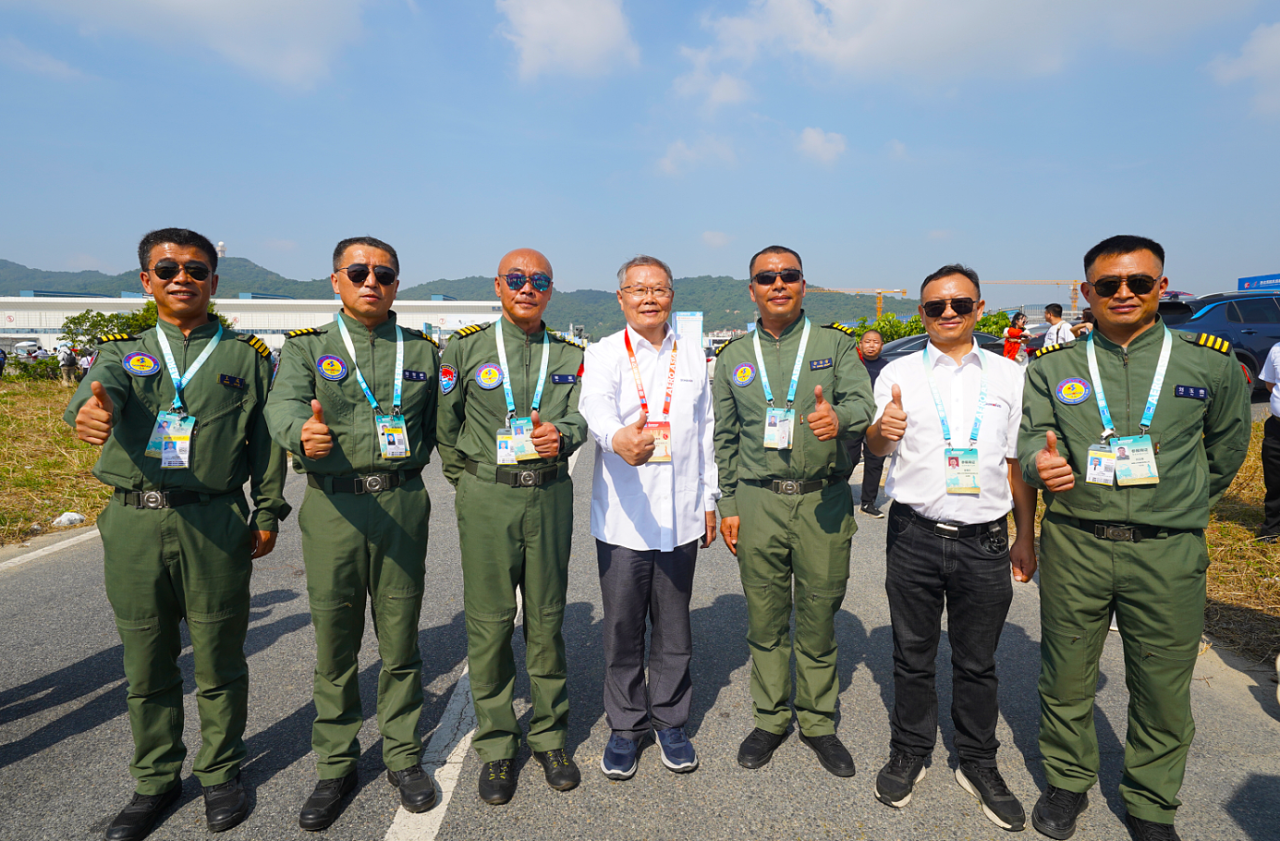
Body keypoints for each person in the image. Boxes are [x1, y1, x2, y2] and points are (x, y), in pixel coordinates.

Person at [1020, 235, 1250, 841]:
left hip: (1166, 551)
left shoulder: (1209, 364)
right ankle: (1068, 782)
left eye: (1138, 283)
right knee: (1065, 675)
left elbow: (1227, 451)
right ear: (1085, 292)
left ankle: (1151, 804)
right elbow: (1027, 441)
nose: (1123, 293)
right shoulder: (1054, 369)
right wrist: (1037, 466)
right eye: (1107, 285)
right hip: (1076, 545)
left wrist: (1183, 504)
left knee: (1162, 684)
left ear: (1161, 287)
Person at [65, 227, 290, 841]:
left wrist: (267, 511)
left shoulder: (247, 357)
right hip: (135, 521)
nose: (181, 278)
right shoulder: (122, 351)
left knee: (218, 659)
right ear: (147, 281)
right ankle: (156, 780)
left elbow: (266, 445)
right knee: (147, 660)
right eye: (167, 269)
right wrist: (92, 408)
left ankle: (220, 773)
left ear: (214, 281)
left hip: (213, 520)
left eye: (196, 269)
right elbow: (97, 394)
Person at [264, 236, 441, 830]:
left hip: (400, 502)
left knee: (400, 638)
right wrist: (299, 434)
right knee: (336, 642)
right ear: (335, 280)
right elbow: (281, 406)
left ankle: (403, 754)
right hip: (333, 509)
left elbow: (441, 427)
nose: (372, 281)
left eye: (384, 273)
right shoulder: (306, 349)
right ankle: (335, 763)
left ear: (397, 283)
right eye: (359, 271)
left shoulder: (419, 349)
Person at [864, 264, 1037, 831]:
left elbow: (1015, 467)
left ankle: (979, 762)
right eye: (935, 306)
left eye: (958, 304)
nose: (947, 314)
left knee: (977, 662)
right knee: (911, 656)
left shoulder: (1012, 376)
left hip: (986, 540)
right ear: (922, 313)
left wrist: (1025, 536)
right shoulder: (897, 372)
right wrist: (879, 432)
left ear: (978, 308)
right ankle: (910, 749)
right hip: (914, 534)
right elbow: (874, 444)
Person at [713, 245, 874, 777]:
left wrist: (840, 419)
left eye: (789, 275)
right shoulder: (733, 356)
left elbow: (862, 404)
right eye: (767, 277)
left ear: (804, 284)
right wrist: (730, 503)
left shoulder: (834, 345)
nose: (778, 284)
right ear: (752, 288)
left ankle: (819, 722)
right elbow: (726, 439)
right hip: (758, 500)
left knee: (818, 616)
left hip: (822, 499)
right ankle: (770, 717)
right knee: (765, 617)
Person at [436, 248, 588, 805]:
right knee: (490, 623)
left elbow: (582, 415)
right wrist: (475, 484)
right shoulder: (465, 348)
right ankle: (498, 745)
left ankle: (550, 737)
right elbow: (444, 429)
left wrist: (563, 436)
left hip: (549, 495)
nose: (528, 288)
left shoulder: (570, 352)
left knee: (546, 621)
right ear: (498, 285)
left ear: (552, 289)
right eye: (517, 279)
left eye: (539, 280)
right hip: (488, 497)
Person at [578, 255, 718, 781]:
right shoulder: (606, 352)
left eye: (658, 288)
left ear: (671, 296)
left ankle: (670, 719)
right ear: (621, 298)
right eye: (637, 289)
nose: (648, 297)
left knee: (674, 625)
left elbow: (704, 435)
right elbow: (595, 407)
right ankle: (625, 724)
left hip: (680, 514)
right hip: (623, 518)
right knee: (621, 625)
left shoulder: (695, 357)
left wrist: (709, 500)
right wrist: (617, 438)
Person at [846, 329, 889, 517]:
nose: (871, 345)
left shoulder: (888, 368)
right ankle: (837, 495)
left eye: (876, 342)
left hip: (876, 419)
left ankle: (868, 502)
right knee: (849, 457)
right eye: (868, 341)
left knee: (875, 460)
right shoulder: (851, 364)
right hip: (854, 418)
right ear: (860, 345)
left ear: (881, 345)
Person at [1258, 341, 1280, 542]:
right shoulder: (1276, 349)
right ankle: (1272, 528)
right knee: (1274, 480)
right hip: (1277, 427)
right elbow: (1270, 384)